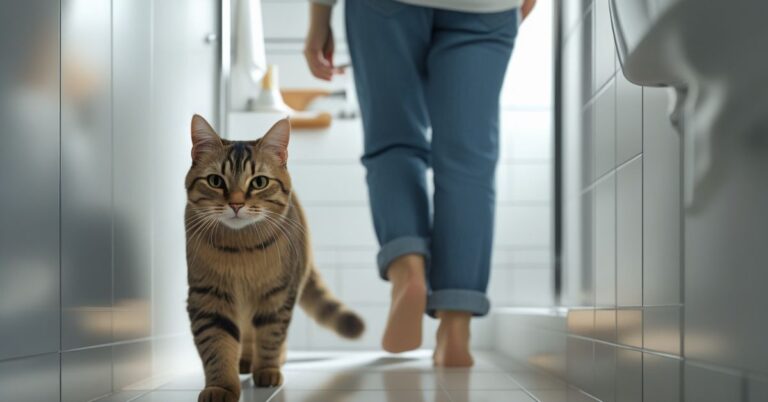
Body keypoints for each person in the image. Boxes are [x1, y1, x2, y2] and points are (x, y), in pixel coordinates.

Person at [304, 0, 535, 367]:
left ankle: (407, 271)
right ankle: (455, 330)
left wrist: (319, 16)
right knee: (469, 162)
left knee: (393, 142)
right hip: (488, 8)